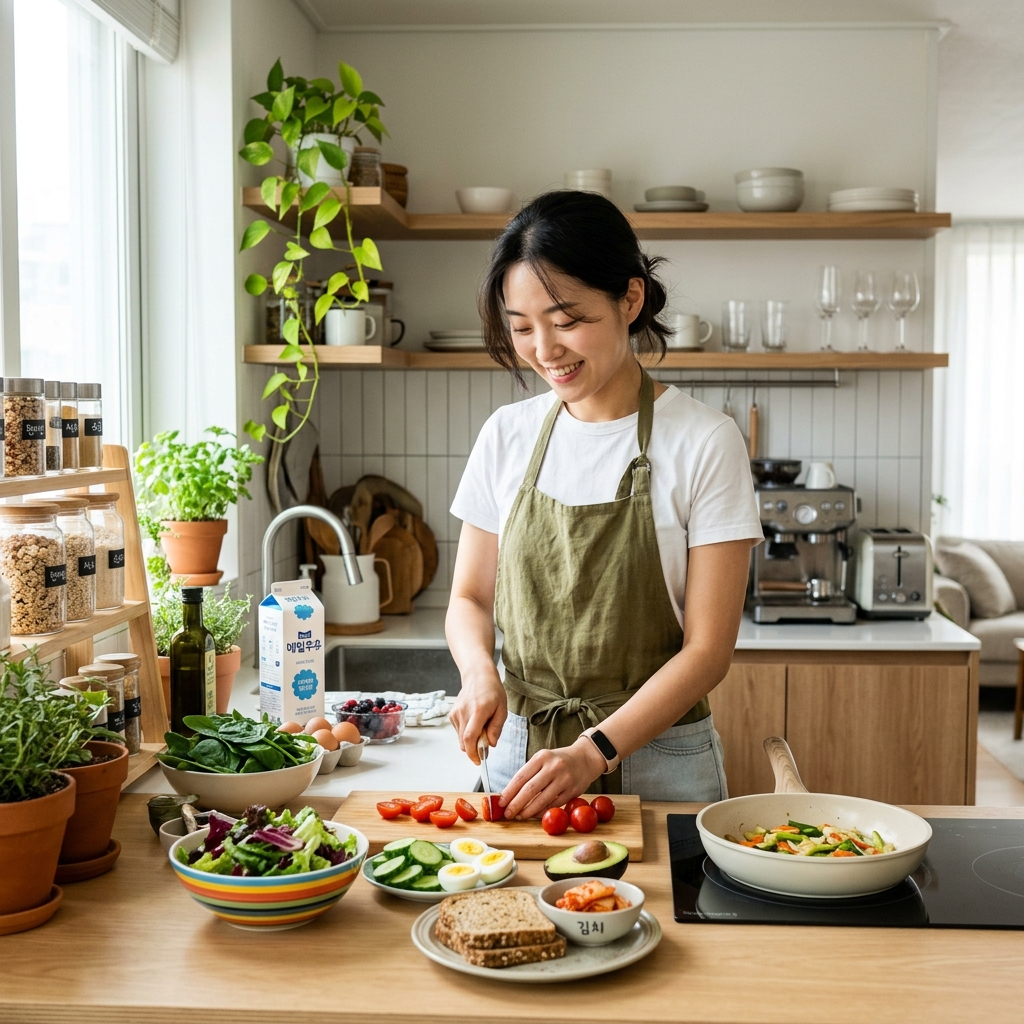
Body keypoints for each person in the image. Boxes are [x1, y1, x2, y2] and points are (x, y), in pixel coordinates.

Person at [446, 190, 762, 820]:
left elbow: (708, 652)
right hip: (519, 755)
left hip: (662, 764)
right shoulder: (506, 435)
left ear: (631, 299)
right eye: (521, 327)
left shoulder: (705, 440)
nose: (544, 349)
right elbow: (470, 599)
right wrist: (479, 672)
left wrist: (593, 752)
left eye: (566, 320)